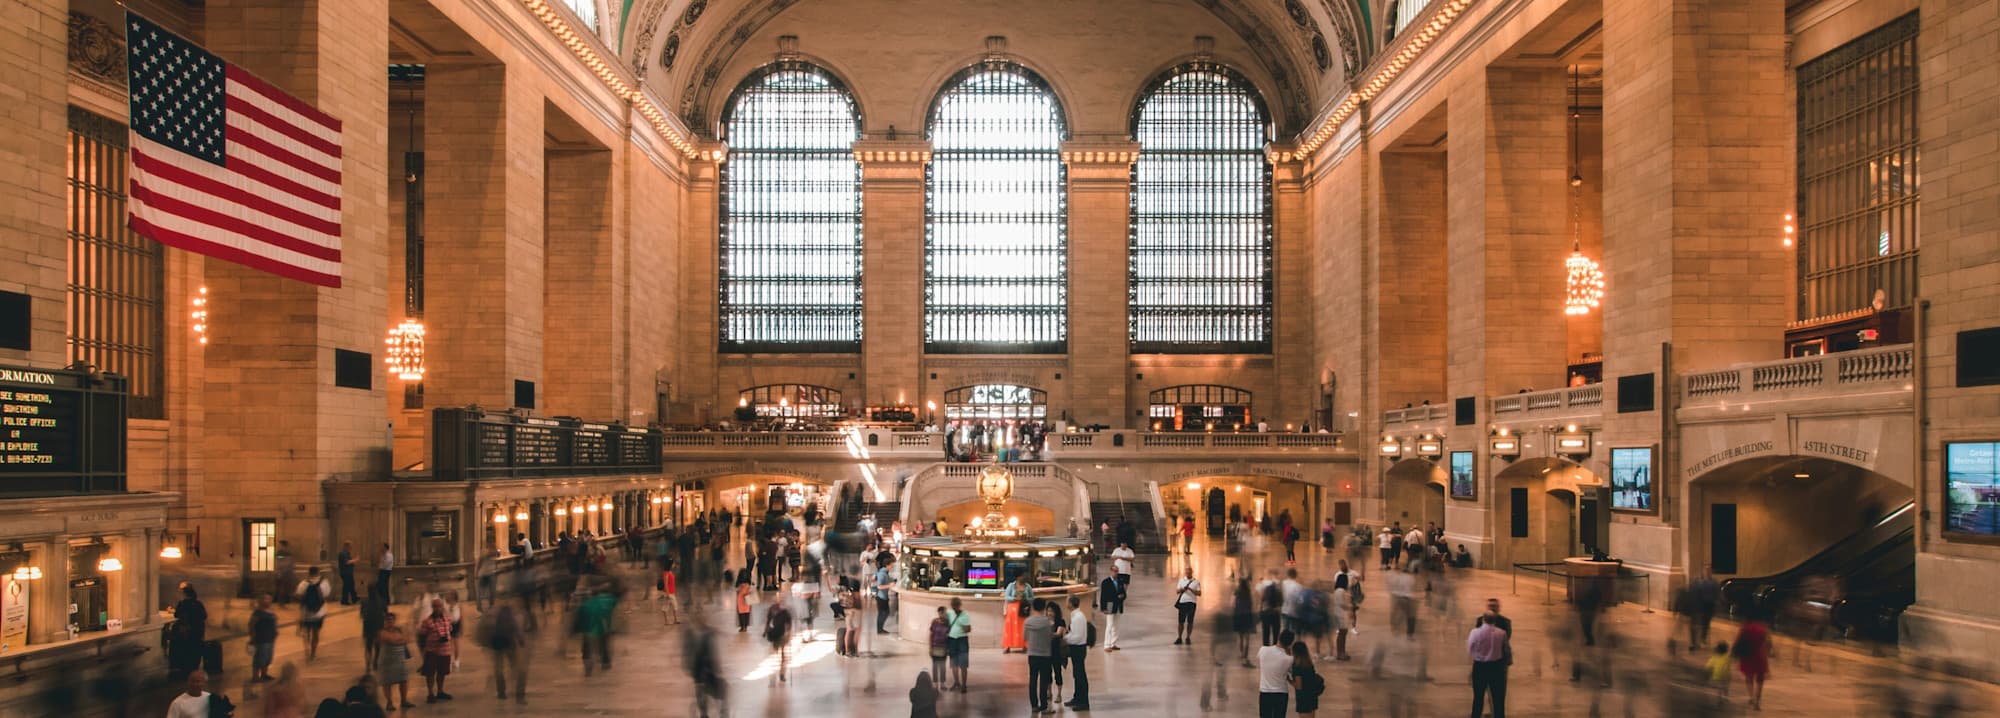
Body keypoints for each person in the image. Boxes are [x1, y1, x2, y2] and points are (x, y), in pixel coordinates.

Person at [479, 599, 528, 703]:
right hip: (510, 643)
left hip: (496, 644)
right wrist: (521, 640)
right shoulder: (513, 611)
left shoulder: (491, 612)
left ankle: (501, 692)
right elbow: (517, 627)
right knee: (520, 669)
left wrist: (485, 643)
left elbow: (483, 627)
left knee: (498, 669)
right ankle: (520, 695)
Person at [1468, 614, 1509, 718]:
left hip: (1480, 667)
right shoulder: (1502, 633)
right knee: (1497, 698)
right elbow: (1506, 650)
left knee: (1478, 697)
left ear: (1483, 620)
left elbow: (1470, 648)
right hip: (1496, 668)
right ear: (1495, 621)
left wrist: (1477, 656)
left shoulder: (1475, 632)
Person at [416, 599, 455, 703]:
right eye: (436, 606)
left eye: (440, 606)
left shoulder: (447, 619)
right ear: (432, 608)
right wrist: (423, 650)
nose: (438, 609)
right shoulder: (427, 621)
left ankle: (440, 691)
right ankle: (430, 693)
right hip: (432, 651)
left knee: (442, 672)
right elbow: (421, 636)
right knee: (430, 673)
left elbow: (450, 631)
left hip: (445, 650)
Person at [374, 611, 414, 711]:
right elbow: (392, 641)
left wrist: (401, 638)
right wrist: (401, 639)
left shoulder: (399, 630)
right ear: (384, 622)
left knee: (403, 680)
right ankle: (389, 702)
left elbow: (408, 639)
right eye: (387, 620)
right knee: (387, 682)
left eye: (391, 620)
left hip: (400, 660)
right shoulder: (381, 632)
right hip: (387, 662)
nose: (390, 622)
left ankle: (404, 700)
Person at [1024, 599, 1057, 714]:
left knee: (1033, 679)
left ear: (1033, 607)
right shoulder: (1047, 622)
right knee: (1044, 680)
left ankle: (1034, 705)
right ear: (1044, 608)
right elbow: (1050, 637)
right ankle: (1044, 706)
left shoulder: (1028, 621)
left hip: (1032, 654)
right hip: (1044, 654)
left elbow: (1025, 637)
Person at [1733, 611, 1772, 711]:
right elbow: (1769, 643)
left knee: (1749, 677)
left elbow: (1738, 641)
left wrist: (1735, 655)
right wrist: (1767, 652)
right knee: (1760, 680)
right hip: (1760, 655)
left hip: (1748, 654)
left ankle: (1752, 697)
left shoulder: (1745, 627)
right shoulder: (1764, 628)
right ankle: (1757, 702)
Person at [168, 584, 208, 680]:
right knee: (194, 652)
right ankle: (193, 670)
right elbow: (204, 616)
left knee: (184, 650)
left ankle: (183, 671)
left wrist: (171, 611)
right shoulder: (198, 603)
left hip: (186, 632)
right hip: (197, 632)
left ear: (184, 594)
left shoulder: (183, 603)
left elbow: (177, 614)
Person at [1258, 629, 1296, 718]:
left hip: (1265, 692)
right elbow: (1292, 673)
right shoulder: (1289, 659)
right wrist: (1289, 653)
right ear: (1290, 644)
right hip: (1281, 693)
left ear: (1279, 637)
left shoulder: (1263, 650)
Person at [297, 566, 331, 660]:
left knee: (307, 632)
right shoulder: (324, 583)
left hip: (306, 613)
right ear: (318, 573)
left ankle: (307, 649)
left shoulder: (303, 583)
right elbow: (327, 595)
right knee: (316, 633)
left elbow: (299, 595)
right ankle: (313, 652)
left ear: (309, 573)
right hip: (319, 613)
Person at [1063, 595, 1091, 710]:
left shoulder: (1078, 617)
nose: (1065, 603)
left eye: (1067, 601)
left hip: (1078, 648)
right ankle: (1077, 697)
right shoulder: (1075, 616)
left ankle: (1083, 702)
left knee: (1080, 675)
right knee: (1076, 674)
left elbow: (1077, 637)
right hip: (1076, 648)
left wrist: (1065, 639)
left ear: (1071, 603)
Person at [247, 594, 278, 682]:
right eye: (265, 599)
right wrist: (252, 638)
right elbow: (251, 625)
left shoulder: (271, 611)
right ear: (260, 601)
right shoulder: (258, 613)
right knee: (259, 658)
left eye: (269, 599)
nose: (267, 600)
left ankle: (264, 674)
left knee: (267, 658)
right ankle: (255, 677)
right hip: (261, 639)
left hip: (270, 639)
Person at [1288, 641, 1323, 718]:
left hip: (1303, 698)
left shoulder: (1297, 666)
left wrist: (1289, 680)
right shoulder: (1309, 663)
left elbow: (1299, 686)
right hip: (1312, 695)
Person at [945, 597, 972, 693]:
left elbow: (968, 629)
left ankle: (964, 685)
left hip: (962, 640)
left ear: (959, 605)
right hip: (952, 639)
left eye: (956, 605)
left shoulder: (965, 615)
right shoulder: (949, 613)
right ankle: (956, 682)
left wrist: (962, 625)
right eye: (953, 606)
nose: (954, 607)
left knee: (963, 664)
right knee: (954, 663)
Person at [764, 597, 794, 682]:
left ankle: (781, 674)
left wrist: (788, 632)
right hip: (777, 635)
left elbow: (789, 623)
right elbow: (768, 621)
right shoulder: (777, 610)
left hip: (780, 635)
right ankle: (780, 674)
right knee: (779, 656)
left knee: (781, 656)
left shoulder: (782, 611)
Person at [360, 584, 388, 668]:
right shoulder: (382, 601)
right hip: (378, 626)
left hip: (368, 627)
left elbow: (361, 615)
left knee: (368, 647)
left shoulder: (365, 602)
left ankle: (368, 664)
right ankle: (375, 660)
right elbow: (386, 613)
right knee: (377, 646)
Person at [1003, 574, 1032, 653]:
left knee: (1023, 627)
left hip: (1023, 609)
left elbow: (1032, 598)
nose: (1024, 577)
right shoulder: (1011, 586)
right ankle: (1007, 646)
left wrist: (1025, 598)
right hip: (1012, 611)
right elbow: (1007, 597)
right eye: (1022, 576)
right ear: (1017, 577)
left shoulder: (1028, 587)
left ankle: (1025, 646)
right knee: (1010, 628)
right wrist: (1015, 598)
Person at [1231, 578, 1257, 667]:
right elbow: (1253, 605)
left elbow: (1232, 603)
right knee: (1247, 638)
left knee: (1241, 637)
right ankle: (1245, 656)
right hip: (1247, 616)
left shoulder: (1236, 592)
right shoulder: (1249, 592)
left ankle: (1241, 653)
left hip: (1239, 616)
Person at [1096, 571, 1124, 652]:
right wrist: (1103, 608)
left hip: (1118, 605)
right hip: (1110, 604)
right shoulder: (1106, 582)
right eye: (1114, 571)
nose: (1116, 573)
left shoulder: (1120, 581)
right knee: (1110, 625)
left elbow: (1124, 593)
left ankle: (1113, 643)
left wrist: (1122, 596)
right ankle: (1107, 645)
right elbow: (1103, 596)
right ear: (1111, 572)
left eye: (1117, 571)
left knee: (1117, 625)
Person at [1173, 565, 1202, 645]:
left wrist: (1190, 589)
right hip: (1182, 602)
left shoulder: (1196, 582)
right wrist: (1182, 589)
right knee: (1181, 621)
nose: (1188, 572)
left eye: (1189, 570)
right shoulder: (1181, 580)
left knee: (1190, 621)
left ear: (1192, 572)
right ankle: (1179, 637)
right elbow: (1177, 591)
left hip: (1192, 603)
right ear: (1185, 572)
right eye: (1187, 570)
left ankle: (1188, 637)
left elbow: (1199, 593)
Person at [1258, 570, 1283, 646]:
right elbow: (1281, 602)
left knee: (1266, 633)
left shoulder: (1265, 590)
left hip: (1266, 612)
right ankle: (1275, 646)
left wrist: (1260, 611)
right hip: (1275, 613)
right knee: (1276, 633)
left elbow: (1261, 601)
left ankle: (1266, 647)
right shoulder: (1278, 591)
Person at [873, 554, 897, 635]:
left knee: (885, 613)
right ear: (887, 565)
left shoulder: (885, 572)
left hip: (883, 596)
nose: (892, 566)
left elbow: (888, 580)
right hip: (881, 597)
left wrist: (893, 581)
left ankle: (880, 629)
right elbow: (879, 586)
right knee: (883, 613)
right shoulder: (882, 573)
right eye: (892, 564)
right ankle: (879, 630)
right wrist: (889, 585)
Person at [928, 607, 951, 680]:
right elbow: (931, 635)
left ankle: (942, 682)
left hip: (944, 647)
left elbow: (949, 636)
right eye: (940, 613)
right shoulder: (934, 621)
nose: (942, 614)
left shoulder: (948, 623)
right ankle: (935, 682)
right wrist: (930, 647)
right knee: (935, 665)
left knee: (943, 665)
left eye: (944, 613)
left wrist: (948, 648)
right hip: (935, 646)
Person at [658, 559, 682, 626]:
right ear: (670, 564)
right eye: (673, 564)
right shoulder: (666, 573)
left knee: (674, 606)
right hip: (668, 593)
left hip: (672, 592)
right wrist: (667, 594)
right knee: (666, 607)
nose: (674, 565)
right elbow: (666, 584)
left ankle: (675, 620)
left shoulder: (670, 572)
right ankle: (667, 621)